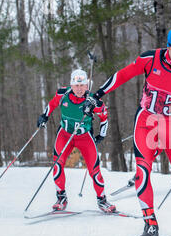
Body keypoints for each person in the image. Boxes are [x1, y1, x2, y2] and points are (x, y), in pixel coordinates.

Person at [83, 27, 171, 236]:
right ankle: (150, 223)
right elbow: (121, 75)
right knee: (142, 174)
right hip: (146, 123)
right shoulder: (150, 59)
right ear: (168, 47)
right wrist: (97, 94)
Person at [37, 69, 116, 213]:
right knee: (57, 165)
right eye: (76, 85)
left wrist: (101, 135)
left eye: (82, 85)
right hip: (65, 135)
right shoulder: (63, 94)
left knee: (94, 170)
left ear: (87, 86)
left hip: (84, 137)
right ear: (71, 85)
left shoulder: (93, 101)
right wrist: (44, 116)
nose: (79, 89)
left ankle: (102, 200)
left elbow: (104, 117)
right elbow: (52, 104)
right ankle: (61, 198)